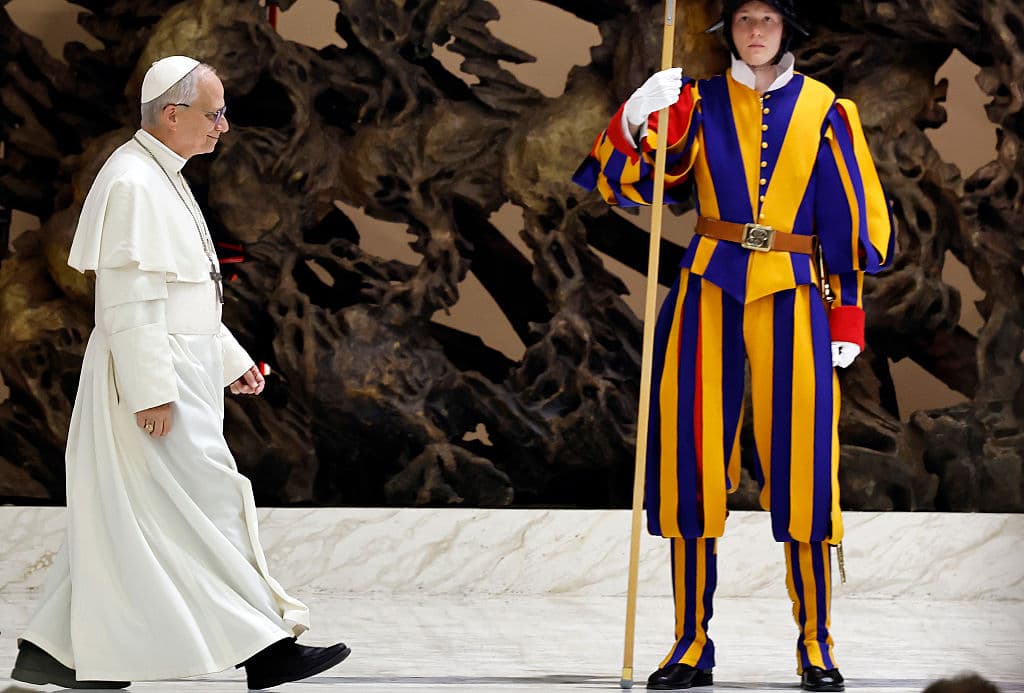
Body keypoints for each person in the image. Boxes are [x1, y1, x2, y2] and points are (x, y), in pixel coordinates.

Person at [574, 1, 894, 690]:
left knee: (805, 467)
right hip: (708, 289)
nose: (755, 31)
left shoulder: (826, 110)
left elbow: (849, 217)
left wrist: (848, 319)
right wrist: (636, 115)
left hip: (796, 291)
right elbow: (642, 184)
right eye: (744, 19)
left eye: (768, 20)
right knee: (689, 458)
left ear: (788, 30)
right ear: (731, 31)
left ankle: (817, 641)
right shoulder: (696, 102)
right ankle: (691, 640)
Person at [11, 56, 350, 690]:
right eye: (214, 112)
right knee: (209, 511)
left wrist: (231, 361)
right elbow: (131, 304)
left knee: (123, 520)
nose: (224, 125)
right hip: (152, 384)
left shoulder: (161, 173)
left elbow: (184, 296)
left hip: (175, 373)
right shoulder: (137, 182)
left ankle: (57, 654)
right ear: (173, 114)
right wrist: (151, 394)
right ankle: (268, 651)